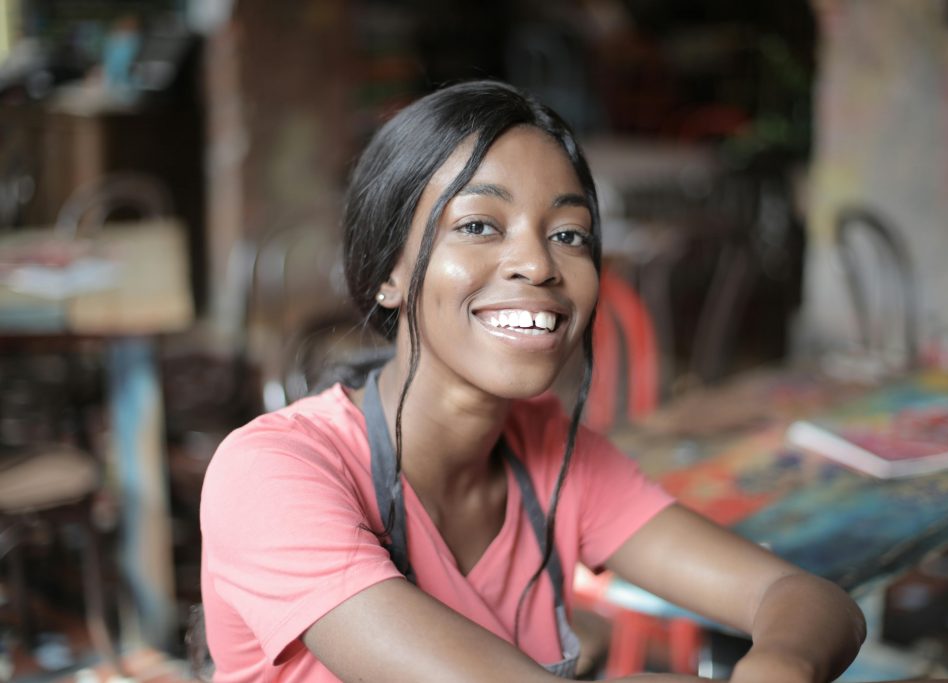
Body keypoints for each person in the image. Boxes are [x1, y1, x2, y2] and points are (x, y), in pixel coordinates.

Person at [200, 80, 869, 683]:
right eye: (478, 225)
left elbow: (809, 601)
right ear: (389, 273)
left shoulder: (552, 455)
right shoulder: (271, 473)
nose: (537, 263)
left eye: (571, 235)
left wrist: (781, 664)